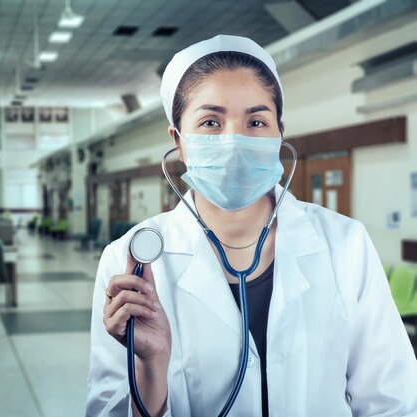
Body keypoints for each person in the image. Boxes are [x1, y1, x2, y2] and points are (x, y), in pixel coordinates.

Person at [86, 35, 417, 417]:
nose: (234, 141)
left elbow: (393, 400)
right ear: (179, 141)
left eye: (256, 121)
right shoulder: (130, 262)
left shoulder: (345, 243)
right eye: (211, 121)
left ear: (279, 134)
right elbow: (106, 409)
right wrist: (150, 366)